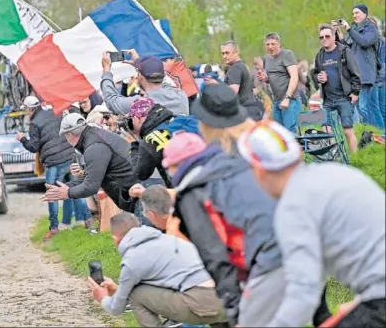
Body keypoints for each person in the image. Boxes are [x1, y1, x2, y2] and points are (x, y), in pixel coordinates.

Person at [163, 131, 331, 326]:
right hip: (309, 243)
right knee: (321, 316)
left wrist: (235, 312)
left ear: (178, 165)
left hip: (271, 263)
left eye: (170, 168)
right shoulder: (243, 167)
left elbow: (215, 256)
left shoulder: (194, 194)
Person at [238, 120, 385, 327]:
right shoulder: (334, 173)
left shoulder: (293, 205)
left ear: (259, 171)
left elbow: (303, 292)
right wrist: (361, 302)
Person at [87, 212, 228, 327]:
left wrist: (102, 297)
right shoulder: (171, 240)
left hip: (201, 306)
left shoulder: (132, 260)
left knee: (137, 295)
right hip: (229, 301)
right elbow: (160, 290)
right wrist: (119, 289)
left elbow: (115, 308)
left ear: (115, 239)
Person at [43, 113, 139, 215]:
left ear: (69, 135)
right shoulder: (94, 137)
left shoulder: (94, 146)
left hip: (138, 196)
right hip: (136, 191)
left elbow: (91, 186)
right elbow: (89, 177)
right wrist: (63, 188)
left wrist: (67, 193)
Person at [16, 96, 78, 240]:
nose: (26, 112)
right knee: (75, 190)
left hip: (53, 162)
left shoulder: (34, 124)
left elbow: (34, 147)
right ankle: (86, 221)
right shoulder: (53, 113)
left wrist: (22, 139)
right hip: (69, 157)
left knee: (53, 195)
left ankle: (54, 227)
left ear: (30, 109)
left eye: (25, 109)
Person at [312, 24, 361, 152]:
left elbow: (355, 73)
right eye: (321, 37)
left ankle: (355, 159)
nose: (324, 39)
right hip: (328, 100)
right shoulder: (320, 55)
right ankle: (336, 157)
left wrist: (355, 92)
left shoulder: (344, 51)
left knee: (347, 130)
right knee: (326, 130)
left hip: (344, 97)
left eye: (327, 36)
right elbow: (315, 73)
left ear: (334, 36)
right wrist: (319, 78)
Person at [100, 51, 189, 116]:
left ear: (141, 77)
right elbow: (165, 82)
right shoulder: (181, 95)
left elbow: (111, 101)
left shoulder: (140, 104)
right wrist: (141, 64)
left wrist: (106, 70)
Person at [340, 5, 384, 130]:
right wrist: (338, 33)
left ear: (365, 14)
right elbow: (346, 47)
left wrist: (349, 29)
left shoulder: (372, 29)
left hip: (365, 74)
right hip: (354, 75)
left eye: (357, 13)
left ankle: (371, 133)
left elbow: (364, 41)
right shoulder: (354, 29)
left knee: (365, 107)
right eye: (353, 13)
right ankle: (366, 133)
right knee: (359, 107)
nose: (354, 16)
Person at [257, 33, 301, 132]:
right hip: (276, 101)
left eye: (273, 44)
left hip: (290, 101)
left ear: (279, 44)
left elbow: (294, 77)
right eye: (267, 44)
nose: (270, 47)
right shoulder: (266, 59)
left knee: (290, 133)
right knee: (279, 134)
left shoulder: (287, 54)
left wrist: (287, 98)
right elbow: (272, 78)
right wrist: (265, 79)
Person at [217, 41, 262, 120]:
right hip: (251, 110)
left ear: (236, 52)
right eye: (223, 53)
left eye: (227, 53)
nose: (224, 56)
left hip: (244, 112)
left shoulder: (235, 68)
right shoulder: (243, 65)